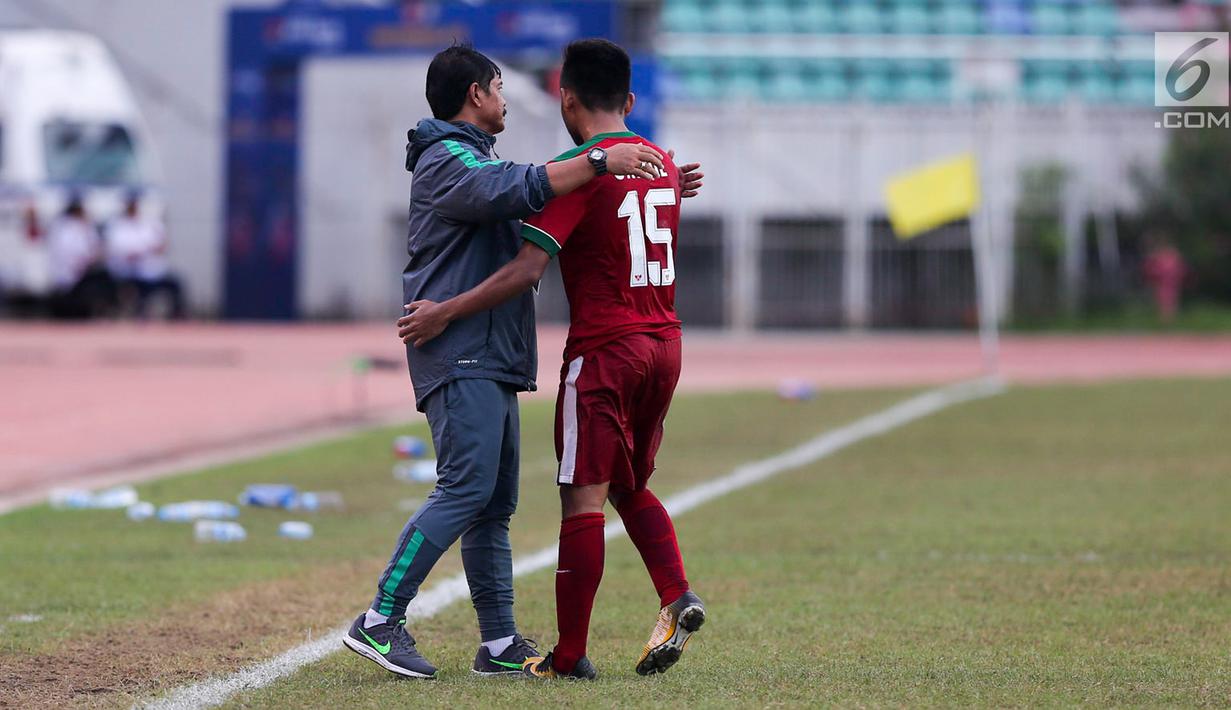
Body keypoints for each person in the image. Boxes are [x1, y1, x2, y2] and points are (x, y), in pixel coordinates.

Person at [343, 42, 692, 681]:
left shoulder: (477, 155)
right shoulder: (447, 157)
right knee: (467, 487)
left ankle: (499, 640)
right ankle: (380, 618)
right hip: (458, 347)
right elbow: (514, 188)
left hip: (493, 350)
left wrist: (649, 181)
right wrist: (600, 159)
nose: (506, 99)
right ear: (476, 94)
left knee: (494, 502)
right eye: (500, 86)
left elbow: (537, 197)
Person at [104, 193, 185, 319]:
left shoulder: (148, 223)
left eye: (135, 205)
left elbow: (161, 245)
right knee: (135, 289)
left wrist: (153, 249)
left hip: (150, 271)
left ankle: (177, 316)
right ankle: (137, 312)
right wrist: (137, 253)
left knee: (176, 283)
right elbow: (117, 250)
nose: (133, 207)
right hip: (127, 272)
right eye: (130, 205)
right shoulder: (117, 226)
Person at [47, 197, 114, 319]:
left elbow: (96, 249)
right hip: (71, 271)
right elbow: (68, 252)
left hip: (82, 270)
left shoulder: (83, 226)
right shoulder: (65, 227)